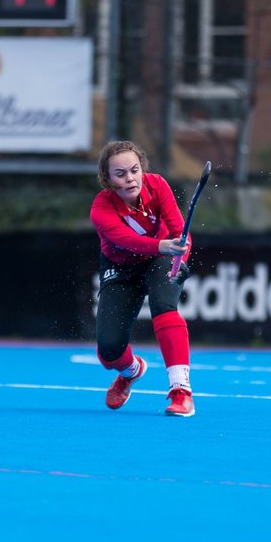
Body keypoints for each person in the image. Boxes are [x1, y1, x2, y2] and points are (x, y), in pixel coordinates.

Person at [90, 140, 196, 417]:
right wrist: (164, 246)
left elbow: (180, 232)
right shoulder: (101, 209)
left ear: (142, 169)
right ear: (108, 179)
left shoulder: (157, 185)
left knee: (165, 306)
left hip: (160, 260)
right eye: (120, 174)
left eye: (134, 170)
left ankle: (181, 392)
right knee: (108, 352)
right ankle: (131, 371)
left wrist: (179, 260)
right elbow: (127, 240)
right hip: (121, 267)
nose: (130, 178)